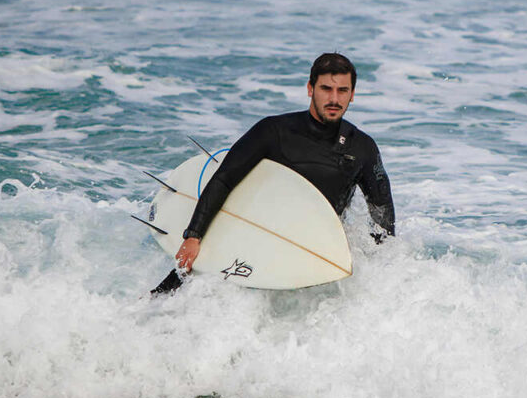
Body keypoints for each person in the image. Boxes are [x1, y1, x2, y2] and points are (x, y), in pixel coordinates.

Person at [151, 53, 395, 294]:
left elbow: (382, 215)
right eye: (326, 89)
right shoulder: (273, 131)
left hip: (313, 260)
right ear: (310, 88)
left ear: (352, 94)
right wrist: (193, 236)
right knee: (164, 296)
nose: (334, 98)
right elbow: (224, 179)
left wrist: (375, 271)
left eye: (342, 90)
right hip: (254, 239)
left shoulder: (362, 148)